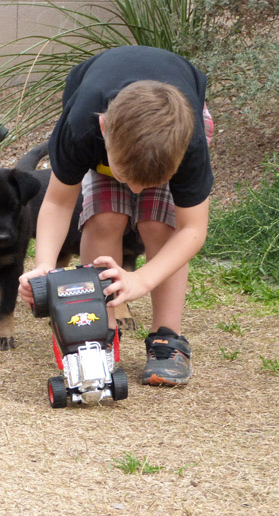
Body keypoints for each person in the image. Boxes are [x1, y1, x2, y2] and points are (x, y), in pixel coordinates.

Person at [18, 45, 214, 386]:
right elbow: (59, 203)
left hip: (171, 124)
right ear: (104, 128)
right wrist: (44, 266)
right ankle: (97, 329)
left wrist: (142, 279)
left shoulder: (188, 141)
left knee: (157, 224)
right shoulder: (81, 129)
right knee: (105, 217)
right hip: (103, 126)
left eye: (147, 184)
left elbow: (192, 229)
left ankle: (168, 338)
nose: (135, 192)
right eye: (126, 179)